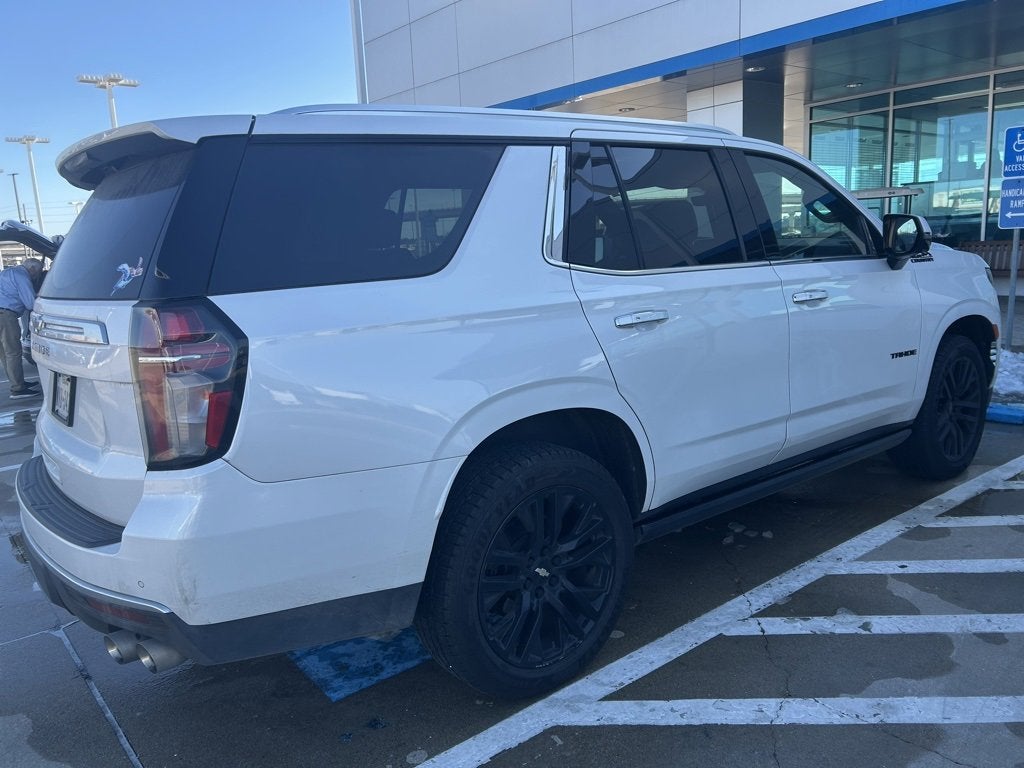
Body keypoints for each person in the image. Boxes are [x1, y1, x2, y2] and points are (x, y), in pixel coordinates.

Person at [0, 258, 44, 399]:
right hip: (6, 315)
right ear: (31, 268)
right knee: (13, 352)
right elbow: (31, 303)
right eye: (37, 272)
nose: (36, 276)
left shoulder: (7, 272)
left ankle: (17, 383)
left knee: (4, 355)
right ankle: (18, 389)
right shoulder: (22, 276)